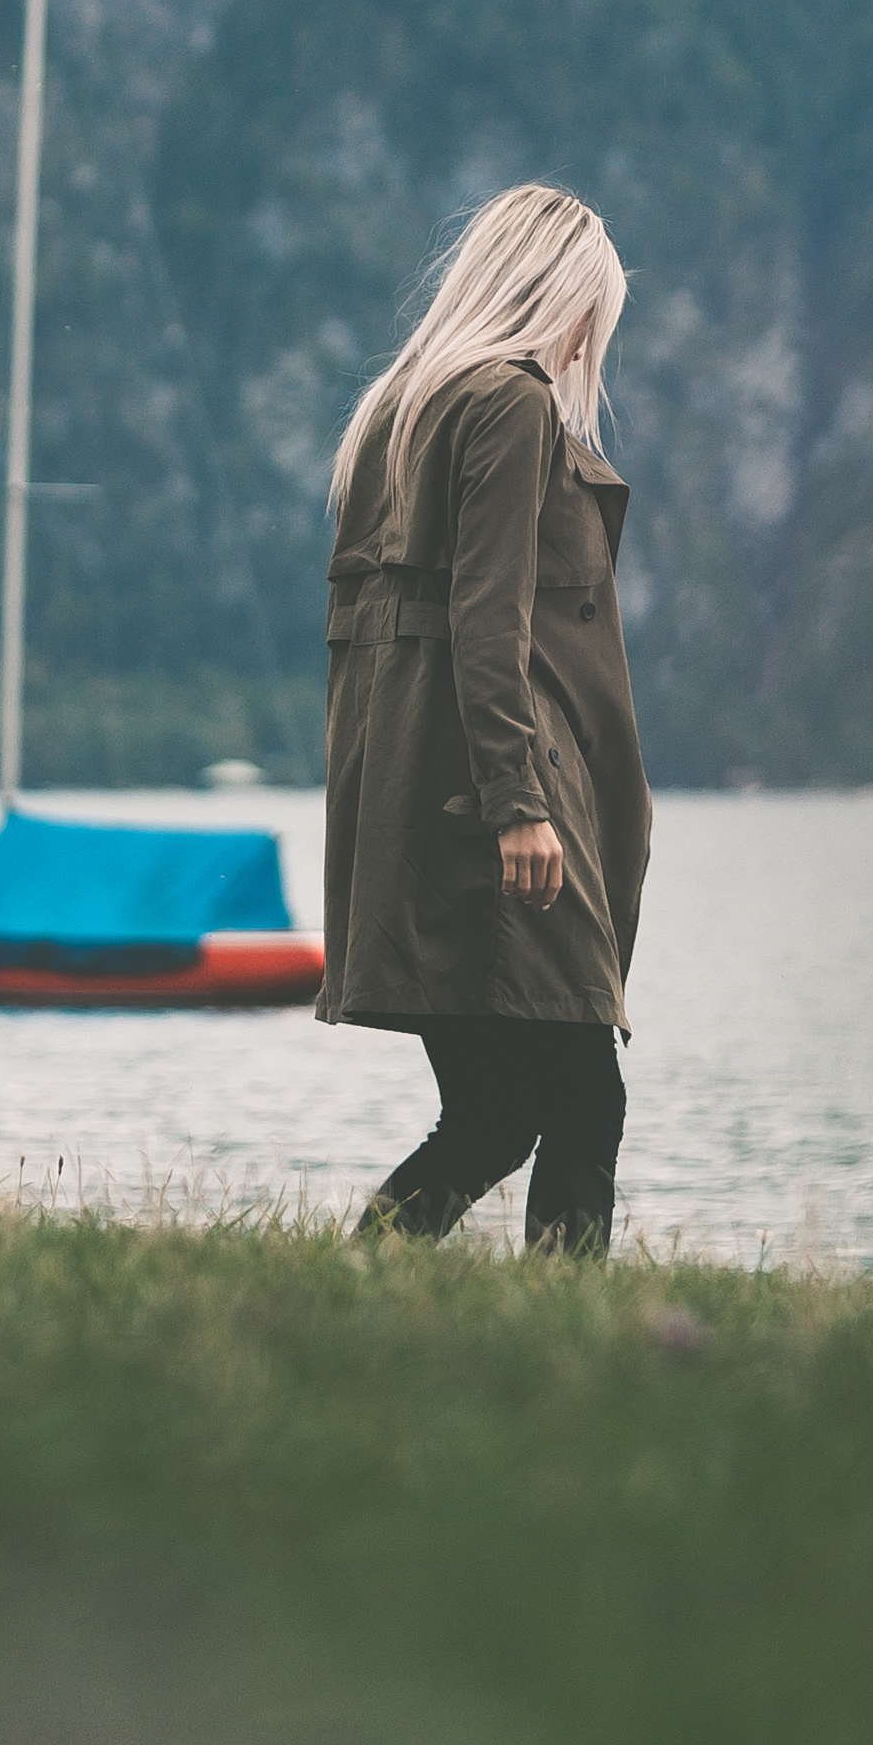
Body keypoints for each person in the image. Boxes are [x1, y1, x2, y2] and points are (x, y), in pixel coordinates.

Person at [317, 183, 649, 1254]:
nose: (589, 339)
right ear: (555, 292)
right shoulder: (505, 403)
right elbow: (485, 618)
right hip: (494, 797)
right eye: (590, 310)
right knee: (582, 1098)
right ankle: (568, 1340)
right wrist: (520, 803)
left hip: (408, 797)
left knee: (496, 1110)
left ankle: (356, 1280)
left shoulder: (396, 410)